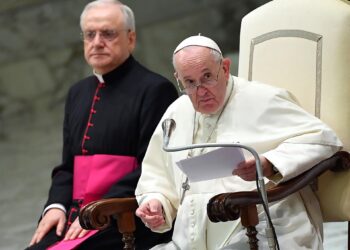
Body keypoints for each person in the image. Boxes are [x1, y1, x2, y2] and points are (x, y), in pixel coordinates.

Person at [135, 34, 343, 249]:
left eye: (207, 76)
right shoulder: (176, 112)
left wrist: (269, 164)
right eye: (189, 82)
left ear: (225, 68)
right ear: (178, 79)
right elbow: (157, 175)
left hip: (263, 225)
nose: (200, 91)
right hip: (192, 239)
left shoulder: (262, 98)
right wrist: (156, 203)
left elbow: (322, 138)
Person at [27, 0, 178, 249]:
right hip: (76, 215)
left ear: (130, 38)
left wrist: (100, 207)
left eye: (108, 33)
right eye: (90, 34)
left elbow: (156, 167)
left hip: (124, 214)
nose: (97, 42)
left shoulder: (155, 90)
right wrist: (55, 206)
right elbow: (67, 167)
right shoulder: (77, 92)